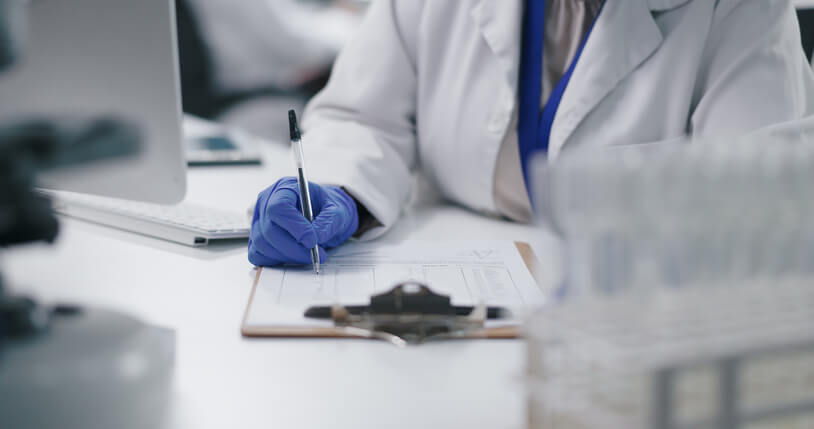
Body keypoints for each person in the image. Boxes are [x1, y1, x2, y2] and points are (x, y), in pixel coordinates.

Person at [248, 0, 814, 267]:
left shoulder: (742, 12)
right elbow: (361, 116)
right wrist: (338, 191)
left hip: (619, 324)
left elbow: (762, 220)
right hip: (457, 299)